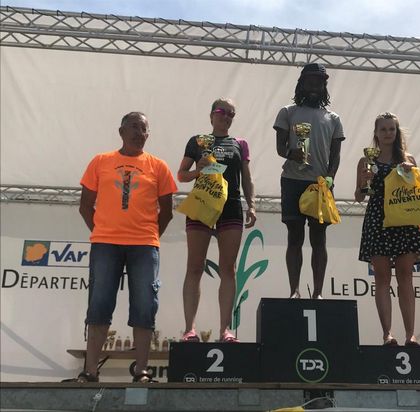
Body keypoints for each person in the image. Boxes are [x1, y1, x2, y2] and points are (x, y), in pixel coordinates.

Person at [77, 112, 177, 383]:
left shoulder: (158, 166)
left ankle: (141, 371)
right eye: (133, 127)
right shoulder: (100, 161)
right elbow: (85, 205)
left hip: (144, 245)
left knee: (145, 304)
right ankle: (90, 371)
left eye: (143, 129)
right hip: (105, 243)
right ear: (120, 131)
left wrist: (150, 235)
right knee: (99, 303)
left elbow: (167, 211)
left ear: (148, 135)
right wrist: (102, 231)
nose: (138, 133)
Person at [178, 98, 256, 343]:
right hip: (201, 203)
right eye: (222, 111)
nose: (226, 117)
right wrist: (198, 170)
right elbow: (181, 175)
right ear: (211, 114)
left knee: (228, 269)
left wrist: (252, 205)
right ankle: (189, 329)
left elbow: (246, 178)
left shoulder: (240, 144)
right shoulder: (197, 141)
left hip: (230, 207)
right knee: (194, 266)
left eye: (231, 114)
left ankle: (225, 330)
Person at [355, 112, 420, 346]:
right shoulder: (366, 160)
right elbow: (359, 197)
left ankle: (410, 334)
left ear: (397, 133)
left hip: (404, 218)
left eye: (391, 129)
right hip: (378, 218)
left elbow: (418, 191)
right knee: (382, 277)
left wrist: (411, 172)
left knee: (406, 276)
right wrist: (364, 181)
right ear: (376, 133)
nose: (388, 133)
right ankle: (387, 333)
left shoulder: (408, 159)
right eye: (383, 129)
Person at [274, 63, 345, 299]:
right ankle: (294, 290)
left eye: (319, 82)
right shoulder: (287, 112)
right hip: (292, 180)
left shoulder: (333, 118)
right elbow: (280, 147)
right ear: (301, 84)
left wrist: (330, 177)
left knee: (319, 239)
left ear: (324, 86)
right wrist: (290, 153)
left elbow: (335, 155)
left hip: (320, 184)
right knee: (294, 237)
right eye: (310, 81)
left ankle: (317, 292)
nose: (314, 85)